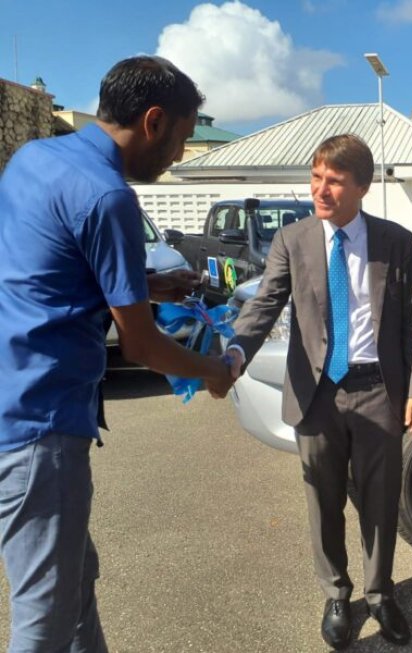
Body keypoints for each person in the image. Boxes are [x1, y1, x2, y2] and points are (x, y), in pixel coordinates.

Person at [0, 55, 233, 652]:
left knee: (76, 585)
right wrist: (213, 370)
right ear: (153, 121)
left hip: (13, 396)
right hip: (39, 429)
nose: (180, 155)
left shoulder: (33, 159)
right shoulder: (109, 196)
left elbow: (46, 270)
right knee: (45, 624)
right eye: (182, 138)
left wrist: (147, 285)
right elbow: (142, 345)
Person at [219, 134, 412, 649]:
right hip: (316, 393)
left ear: (361, 185)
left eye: (334, 181)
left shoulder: (394, 241)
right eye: (316, 177)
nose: (321, 189)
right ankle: (337, 593)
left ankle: (381, 594)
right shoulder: (293, 240)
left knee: (380, 501)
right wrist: (233, 353)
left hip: (378, 389)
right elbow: (264, 304)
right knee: (324, 499)